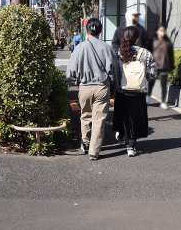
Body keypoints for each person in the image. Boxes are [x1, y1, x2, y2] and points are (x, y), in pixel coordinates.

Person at [66, 17, 118, 161]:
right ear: (100, 31)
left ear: (86, 30)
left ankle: (86, 143)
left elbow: (71, 72)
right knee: (99, 119)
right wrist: (114, 89)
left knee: (85, 116)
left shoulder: (79, 48)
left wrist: (71, 89)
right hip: (102, 87)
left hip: (84, 87)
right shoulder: (107, 48)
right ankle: (94, 152)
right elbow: (114, 70)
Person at [112, 26, 153, 157]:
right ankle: (131, 145)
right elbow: (152, 73)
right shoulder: (145, 53)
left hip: (122, 90)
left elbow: (114, 71)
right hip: (138, 91)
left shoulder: (119, 51)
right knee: (135, 118)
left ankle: (124, 138)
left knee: (124, 117)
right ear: (136, 38)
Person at [150, 25, 175, 108]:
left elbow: (171, 55)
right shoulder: (153, 41)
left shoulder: (168, 43)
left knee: (163, 85)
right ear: (157, 32)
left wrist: (171, 66)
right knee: (151, 82)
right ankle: (148, 96)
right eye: (160, 30)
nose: (162, 32)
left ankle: (163, 102)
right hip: (154, 66)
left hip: (164, 66)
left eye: (163, 31)